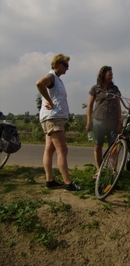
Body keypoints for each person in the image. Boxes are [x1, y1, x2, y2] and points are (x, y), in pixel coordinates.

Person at [36, 53, 81, 191]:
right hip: (53, 118)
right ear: (57, 64)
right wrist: (49, 101)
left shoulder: (57, 79)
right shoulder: (51, 77)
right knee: (63, 150)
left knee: (49, 149)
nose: (67, 68)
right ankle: (68, 183)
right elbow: (39, 83)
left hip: (52, 117)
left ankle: (49, 180)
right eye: (66, 65)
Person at [86, 66, 122, 179]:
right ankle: (99, 169)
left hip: (112, 120)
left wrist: (119, 121)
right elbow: (90, 106)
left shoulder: (115, 88)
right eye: (109, 75)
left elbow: (118, 105)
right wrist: (88, 122)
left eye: (112, 75)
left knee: (113, 146)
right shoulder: (95, 88)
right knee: (98, 145)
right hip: (98, 120)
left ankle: (114, 170)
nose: (111, 76)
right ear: (103, 75)